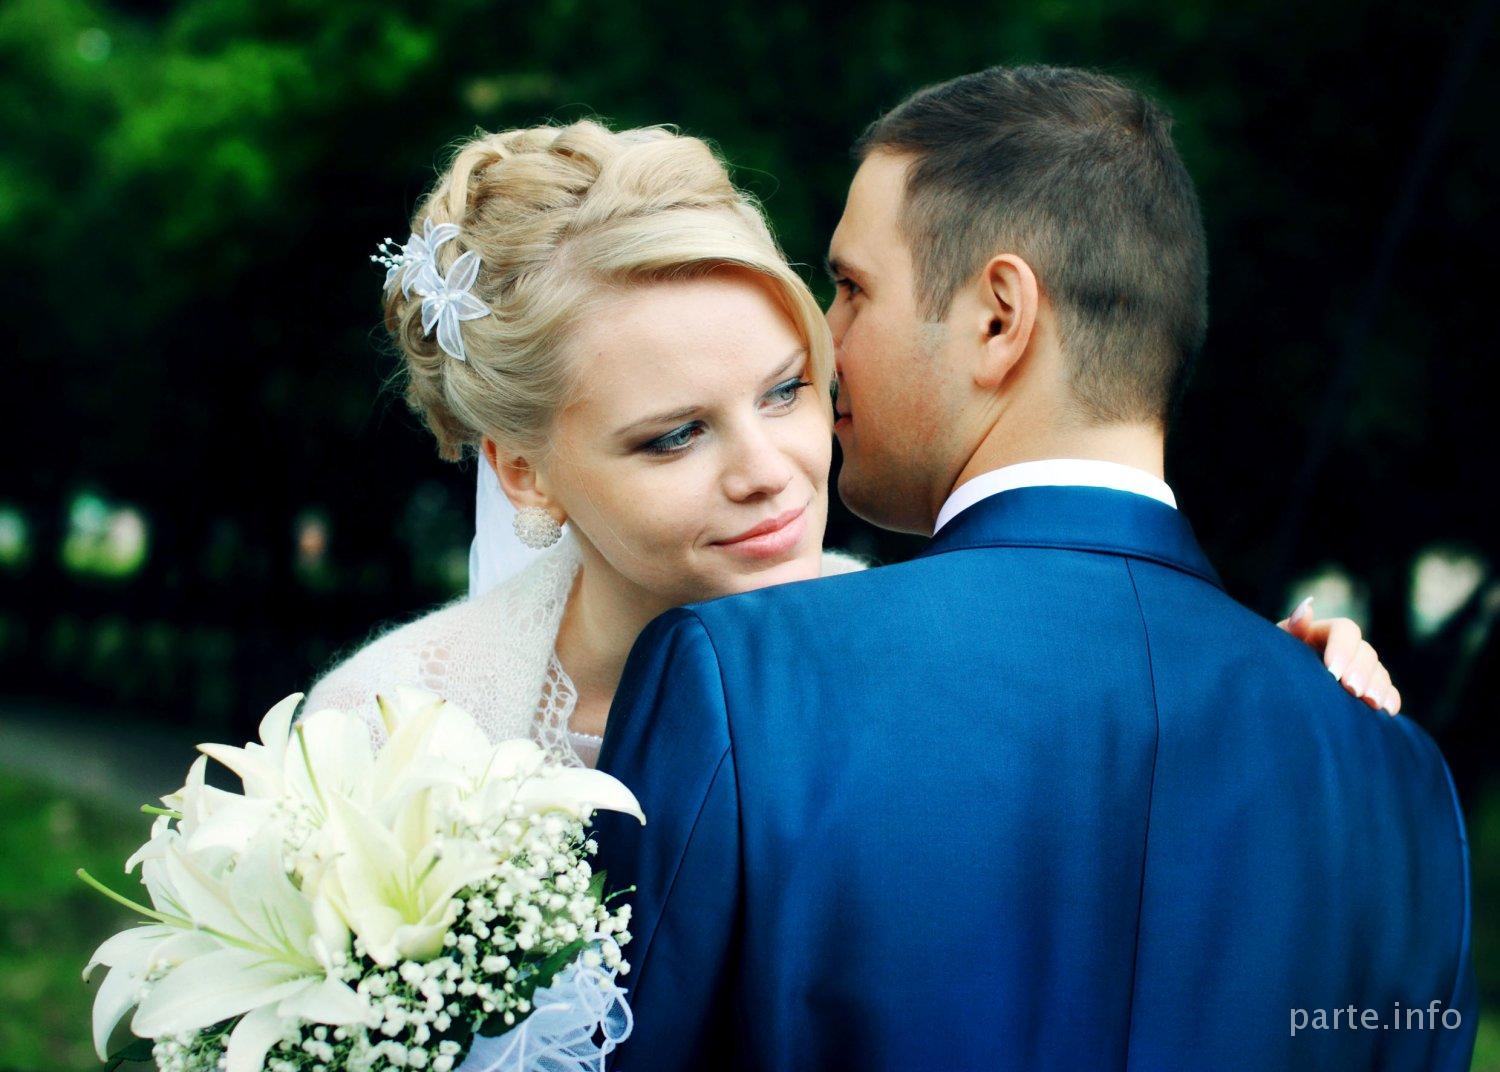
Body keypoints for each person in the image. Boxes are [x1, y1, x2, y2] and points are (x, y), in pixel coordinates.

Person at [590, 67, 1475, 1070]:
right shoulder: (1398, 784)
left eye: (852, 290)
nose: (822, 346)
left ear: (999, 317)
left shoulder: (742, 680)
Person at [304, 119, 1388, 768]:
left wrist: (1272, 686)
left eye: (786, 390)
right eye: (675, 436)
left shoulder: (941, 665)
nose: (768, 470)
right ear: (524, 472)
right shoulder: (386, 733)